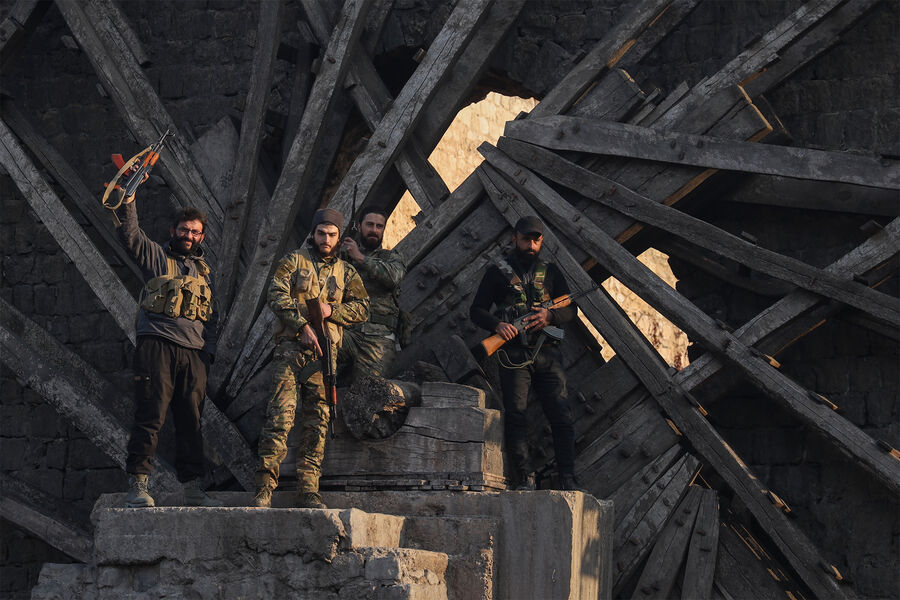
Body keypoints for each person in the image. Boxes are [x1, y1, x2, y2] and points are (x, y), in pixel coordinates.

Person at [253, 208, 369, 509]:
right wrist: (301, 325)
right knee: (280, 419)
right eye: (321, 233)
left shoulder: (347, 272)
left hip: (324, 357)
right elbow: (276, 294)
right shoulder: (294, 262)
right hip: (291, 351)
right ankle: (265, 488)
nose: (326, 239)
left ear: (339, 237)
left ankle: (308, 490)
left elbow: (363, 308)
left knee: (318, 423)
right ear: (313, 233)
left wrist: (333, 312)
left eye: (332, 235)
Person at [117, 191, 221, 508]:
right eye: (183, 230)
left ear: (201, 236)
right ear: (173, 231)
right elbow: (130, 234)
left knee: (192, 422)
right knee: (151, 415)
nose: (188, 236)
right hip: (157, 346)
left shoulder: (204, 272)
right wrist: (130, 198)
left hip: (193, 354)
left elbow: (212, 317)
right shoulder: (157, 258)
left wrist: (207, 355)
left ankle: (192, 488)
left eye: (194, 231)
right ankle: (138, 485)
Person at [469, 216, 581, 491]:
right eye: (526, 239)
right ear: (514, 238)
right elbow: (476, 310)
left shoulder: (552, 272)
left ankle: (568, 477)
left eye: (536, 240)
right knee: (517, 416)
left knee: (561, 415)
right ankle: (524, 478)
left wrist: (550, 315)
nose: (531, 245)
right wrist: (497, 325)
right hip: (514, 357)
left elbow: (571, 309)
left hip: (548, 353)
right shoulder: (497, 273)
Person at [339, 206, 406, 382]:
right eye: (369, 225)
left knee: (367, 393)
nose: (374, 230)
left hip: (378, 340)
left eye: (379, 226)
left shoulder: (391, 258)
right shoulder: (343, 258)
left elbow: (393, 277)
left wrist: (359, 257)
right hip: (345, 334)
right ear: (359, 227)